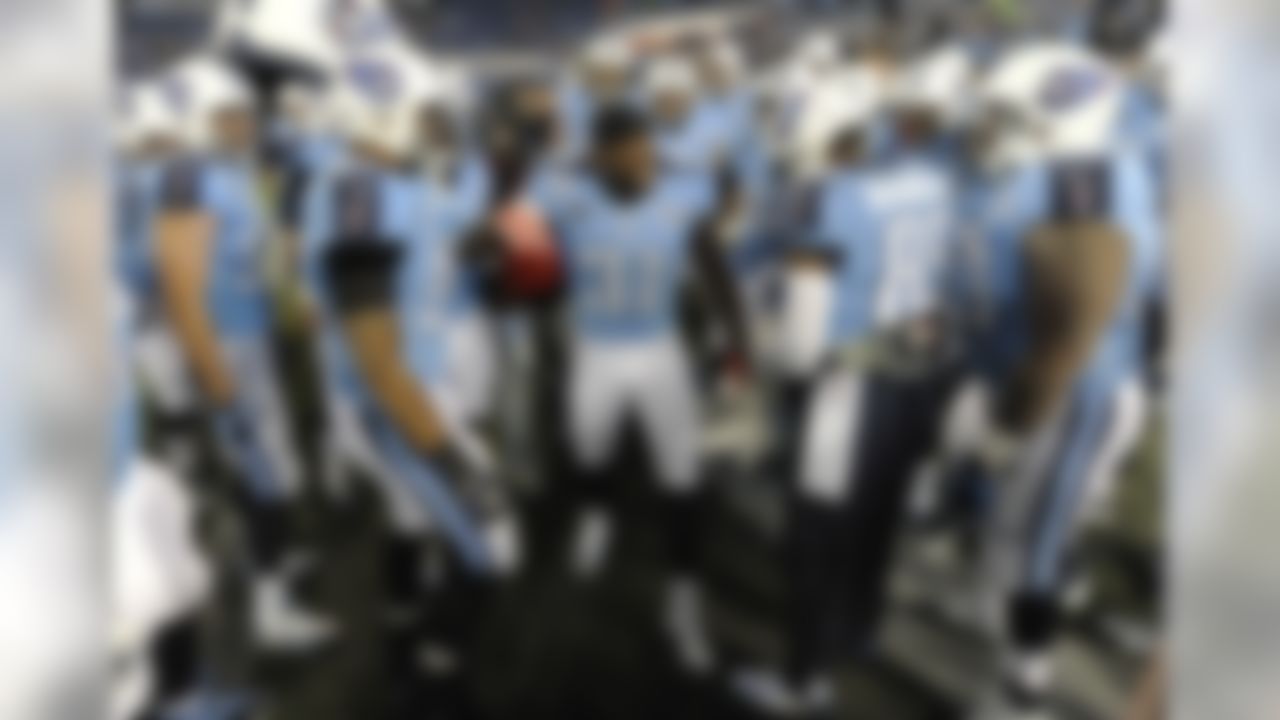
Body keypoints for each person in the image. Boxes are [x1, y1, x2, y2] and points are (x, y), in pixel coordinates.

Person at [525, 105, 750, 677]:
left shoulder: (681, 198)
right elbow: (506, 242)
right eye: (623, 149)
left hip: (660, 351)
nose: (638, 159)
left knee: (683, 482)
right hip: (594, 350)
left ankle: (684, 605)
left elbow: (715, 269)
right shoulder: (565, 197)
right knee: (588, 452)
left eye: (642, 147)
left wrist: (736, 344)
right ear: (598, 155)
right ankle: (597, 513)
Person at [151, 56, 334, 652]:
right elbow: (181, 290)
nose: (243, 125)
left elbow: (255, 256)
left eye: (245, 114)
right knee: (264, 474)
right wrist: (215, 374)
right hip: (227, 345)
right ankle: (267, 608)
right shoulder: (192, 176)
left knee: (276, 468)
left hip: (251, 336)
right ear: (199, 119)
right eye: (227, 116)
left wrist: (291, 299)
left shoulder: (231, 173)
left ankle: (274, 570)